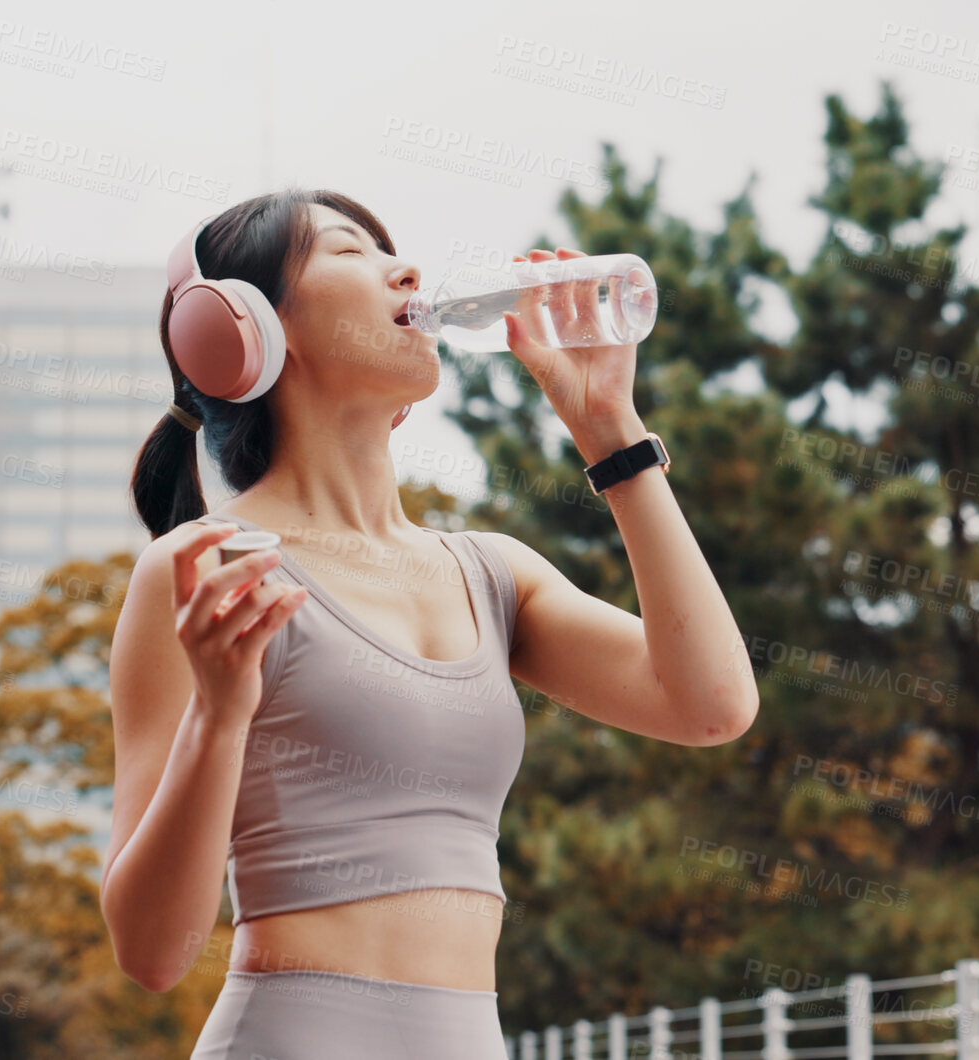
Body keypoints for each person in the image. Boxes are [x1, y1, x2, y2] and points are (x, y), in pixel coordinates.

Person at [101, 188, 759, 1058]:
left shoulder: (491, 573)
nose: (404, 270)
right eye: (349, 253)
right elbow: (153, 955)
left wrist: (613, 436)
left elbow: (710, 705)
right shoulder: (209, 569)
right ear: (247, 330)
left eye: (392, 251)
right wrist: (219, 719)